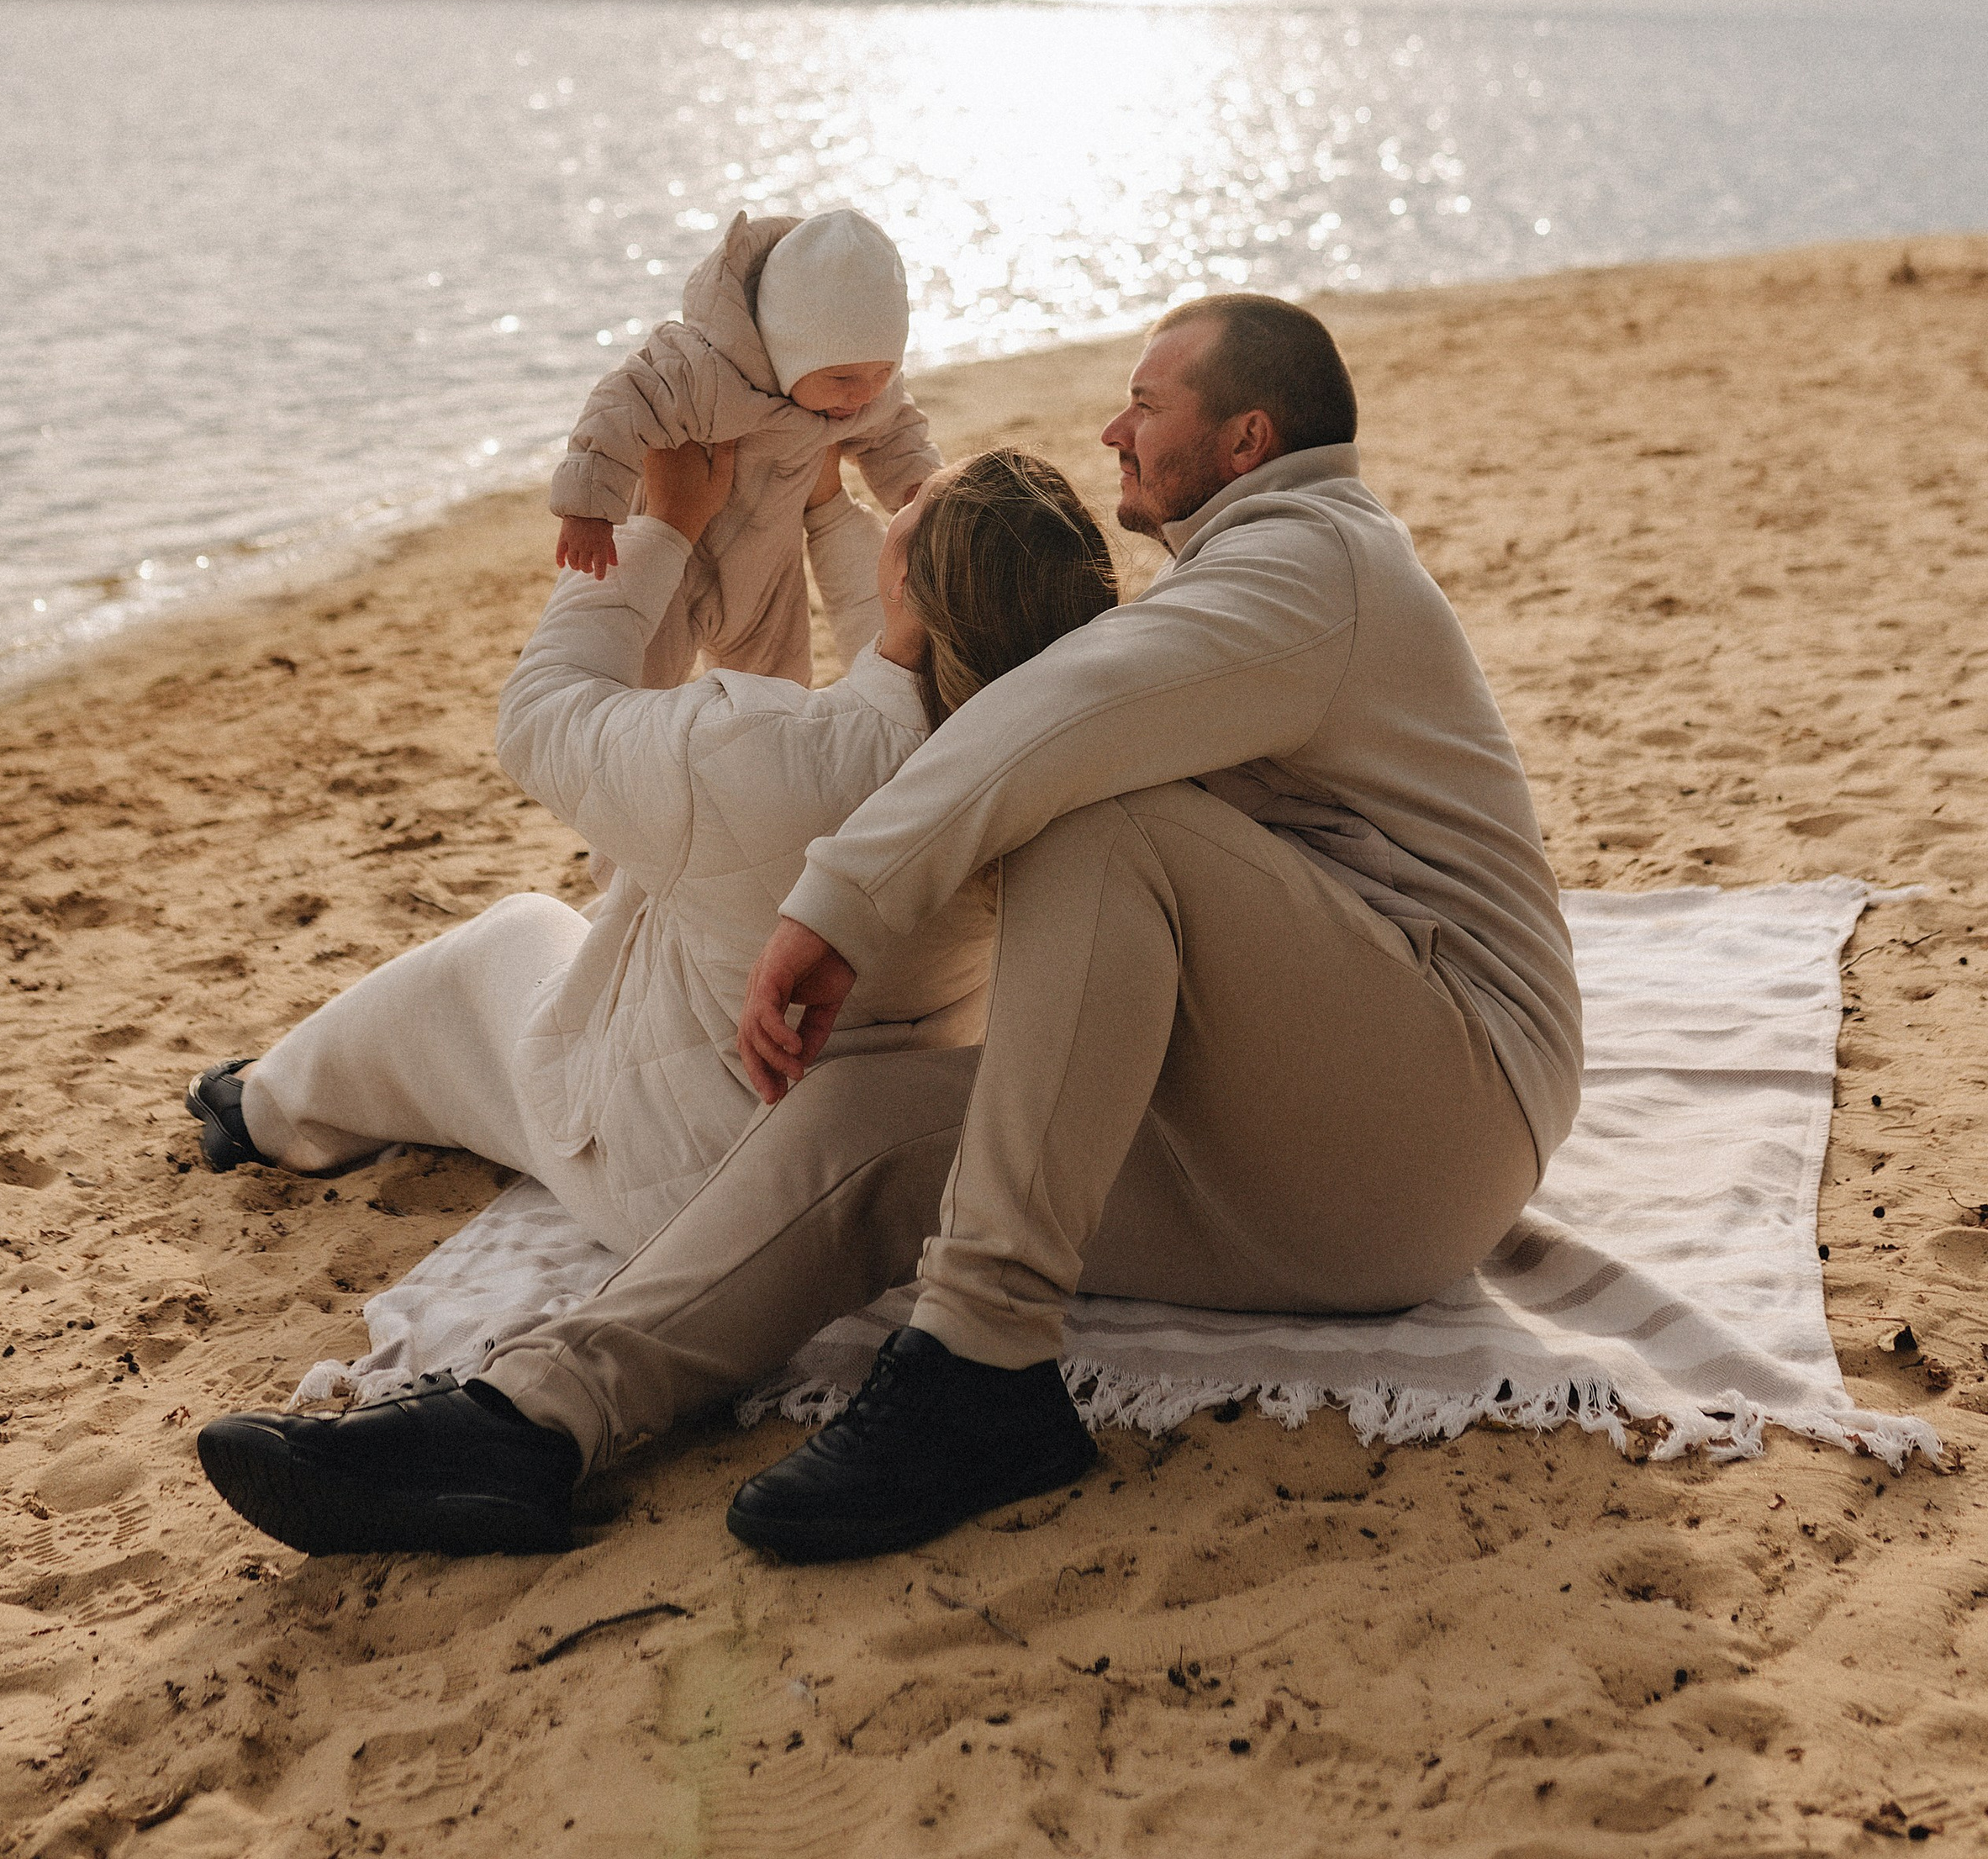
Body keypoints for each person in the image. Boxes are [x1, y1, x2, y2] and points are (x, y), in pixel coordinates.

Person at [195, 293, 1583, 1570]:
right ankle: (527, 1421)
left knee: (1095, 815)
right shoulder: (1254, 581)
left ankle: (981, 1363)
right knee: (863, 1120)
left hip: (1447, 1101)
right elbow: (1031, 692)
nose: (1113, 422)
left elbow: (1051, 715)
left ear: (1248, 435)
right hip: (1315, 1160)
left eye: (1145, 402)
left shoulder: (1311, 565)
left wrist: (834, 903)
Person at [185, 435, 1116, 1269]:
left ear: (910, 581)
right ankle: (280, 1101)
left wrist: (661, 525)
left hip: (688, 1170)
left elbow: (539, 716)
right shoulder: (1053, 760)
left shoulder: (756, 745)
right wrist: (826, 503)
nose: (887, 517)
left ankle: (266, 1110)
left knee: (511, 938)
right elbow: (899, 670)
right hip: (899, 1150)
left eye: (901, 512)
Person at [547, 207, 942, 689]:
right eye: (841, 378)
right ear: (787, 352)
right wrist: (588, 508)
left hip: (767, 573)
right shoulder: (709, 373)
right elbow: (624, 404)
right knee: (640, 677)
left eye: (882, 373)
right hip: (673, 559)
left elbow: (898, 433)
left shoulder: (866, 400)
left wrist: (923, 492)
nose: (861, 394)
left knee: (777, 683)